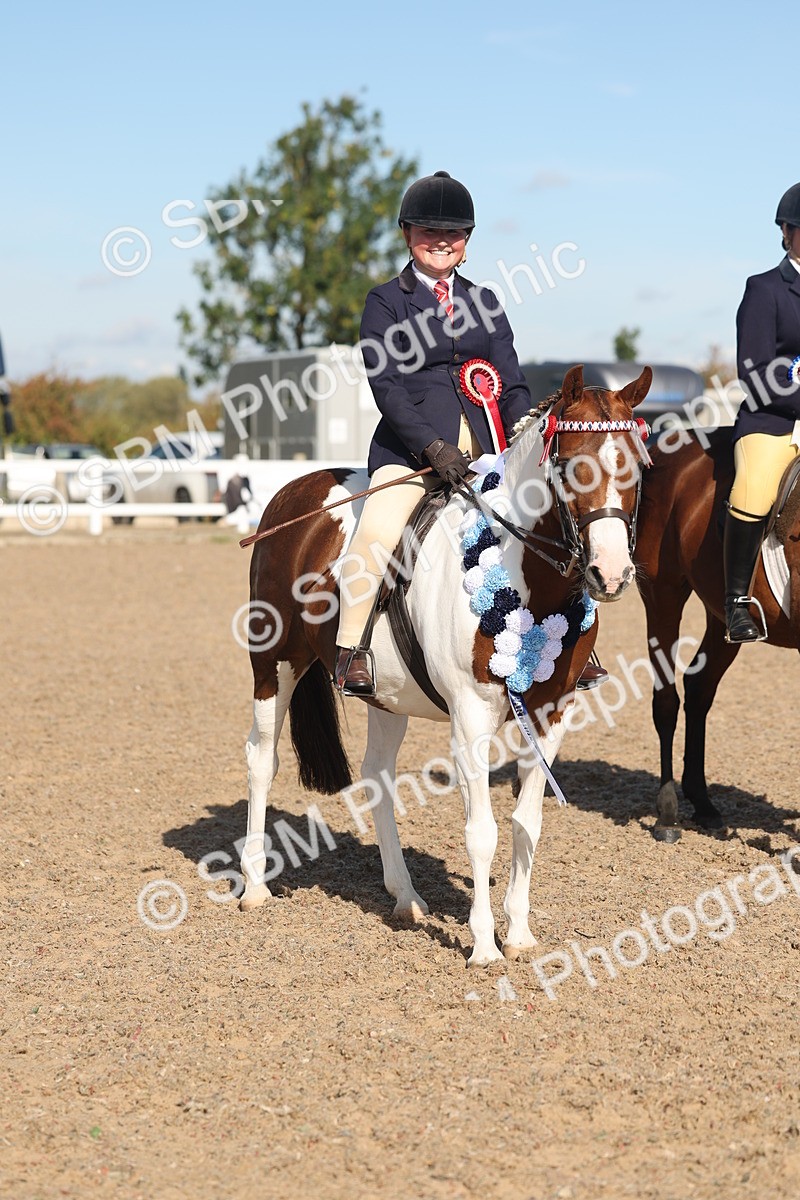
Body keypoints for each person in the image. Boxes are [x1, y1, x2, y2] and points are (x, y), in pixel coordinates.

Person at [334, 169, 607, 695]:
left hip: (489, 454)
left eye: (453, 233)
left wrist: (523, 441)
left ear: (467, 240)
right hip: (412, 453)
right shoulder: (386, 301)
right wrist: (431, 447)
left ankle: (579, 643)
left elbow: (512, 383)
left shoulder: (486, 301)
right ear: (407, 233)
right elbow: (386, 386)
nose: (441, 241)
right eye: (428, 231)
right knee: (377, 533)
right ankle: (354, 648)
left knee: (558, 528)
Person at [725, 182, 800, 642]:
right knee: (753, 490)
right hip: (772, 421)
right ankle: (737, 602)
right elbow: (753, 372)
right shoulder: (765, 289)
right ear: (788, 232)